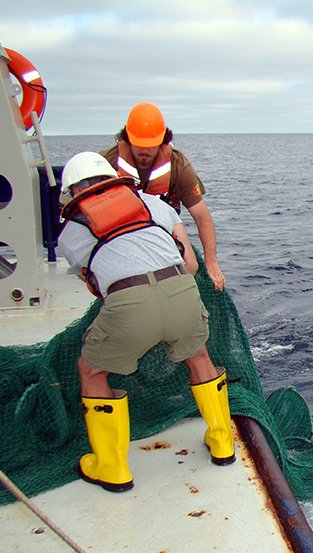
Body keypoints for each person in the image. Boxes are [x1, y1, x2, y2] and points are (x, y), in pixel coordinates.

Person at [58, 151, 235, 493]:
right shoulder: (152, 203)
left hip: (128, 303)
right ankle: (223, 442)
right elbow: (190, 262)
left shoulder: (70, 233)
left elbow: (97, 287)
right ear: (111, 179)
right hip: (182, 289)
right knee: (198, 356)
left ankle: (112, 468)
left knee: (91, 371)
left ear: (72, 193)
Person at [100, 102, 227, 291]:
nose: (144, 151)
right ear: (127, 138)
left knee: (191, 265)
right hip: (121, 235)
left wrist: (211, 262)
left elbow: (202, 217)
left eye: (150, 146)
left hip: (163, 234)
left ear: (162, 141)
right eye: (139, 144)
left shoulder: (178, 166)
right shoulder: (105, 163)